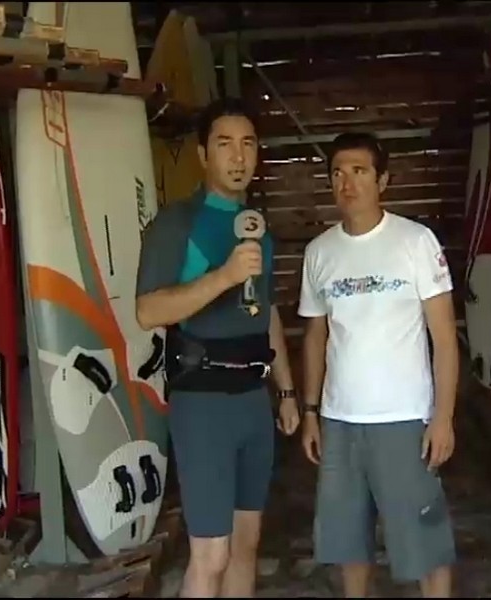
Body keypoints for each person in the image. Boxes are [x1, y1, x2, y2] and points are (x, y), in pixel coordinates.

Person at [135, 96, 301, 598]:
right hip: (202, 403)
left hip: (253, 401)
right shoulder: (177, 223)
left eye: (248, 144)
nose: (238, 156)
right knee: (211, 555)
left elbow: (265, 312)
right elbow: (148, 311)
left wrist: (286, 392)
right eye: (225, 144)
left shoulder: (256, 227)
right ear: (203, 154)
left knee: (246, 546)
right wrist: (224, 276)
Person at [298, 132, 460, 598]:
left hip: (404, 418)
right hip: (340, 420)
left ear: (382, 180)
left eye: (359, 171)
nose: (347, 183)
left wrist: (443, 418)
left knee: (424, 540)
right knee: (348, 541)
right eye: (337, 173)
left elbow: (444, 338)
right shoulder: (320, 252)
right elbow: (315, 336)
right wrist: (310, 412)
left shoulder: (415, 241)